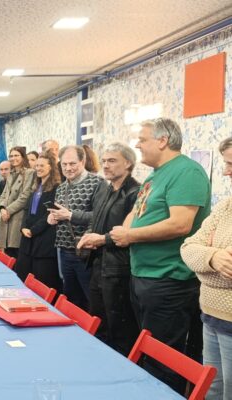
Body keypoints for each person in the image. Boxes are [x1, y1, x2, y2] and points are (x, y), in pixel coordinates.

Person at [110, 118, 209, 392]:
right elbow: (136, 212)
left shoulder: (187, 171)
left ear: (163, 140)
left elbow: (180, 224)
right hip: (144, 274)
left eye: (142, 139)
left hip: (169, 278)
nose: (137, 145)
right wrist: (125, 230)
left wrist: (130, 236)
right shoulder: (155, 175)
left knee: (163, 359)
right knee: (148, 351)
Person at [77, 142, 140, 355]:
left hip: (119, 268)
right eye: (104, 161)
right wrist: (89, 236)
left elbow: (130, 233)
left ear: (128, 163)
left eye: (112, 161)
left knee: (119, 330)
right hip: (98, 263)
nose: (105, 165)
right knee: (98, 323)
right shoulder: (104, 188)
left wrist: (102, 239)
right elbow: (96, 220)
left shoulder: (135, 192)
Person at [181, 137, 232, 400]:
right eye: (225, 163)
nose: (226, 171)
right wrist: (213, 259)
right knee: (211, 389)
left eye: (231, 164)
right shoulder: (226, 206)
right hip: (211, 314)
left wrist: (204, 268)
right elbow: (188, 248)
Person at [48, 145, 105, 311]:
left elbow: (101, 217)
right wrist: (53, 217)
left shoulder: (97, 183)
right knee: (71, 300)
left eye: (72, 163)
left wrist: (70, 215)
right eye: (64, 164)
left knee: (92, 301)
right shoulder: (61, 187)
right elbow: (60, 214)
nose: (68, 168)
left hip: (86, 253)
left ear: (83, 161)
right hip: (64, 251)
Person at [16, 152, 62, 292]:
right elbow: (27, 210)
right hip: (28, 239)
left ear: (51, 167)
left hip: (44, 241)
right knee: (22, 276)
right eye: (37, 166)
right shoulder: (36, 186)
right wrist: (23, 227)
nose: (38, 168)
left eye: (42, 165)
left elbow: (50, 214)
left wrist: (33, 230)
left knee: (42, 283)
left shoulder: (57, 188)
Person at [0, 147, 36, 258]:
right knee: (7, 252)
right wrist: (2, 209)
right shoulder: (11, 173)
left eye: (16, 155)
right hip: (6, 215)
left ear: (23, 157)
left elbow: (25, 196)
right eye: (11, 156)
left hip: (18, 215)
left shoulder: (30, 173)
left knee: (16, 251)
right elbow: (4, 194)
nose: (13, 158)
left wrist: (8, 210)